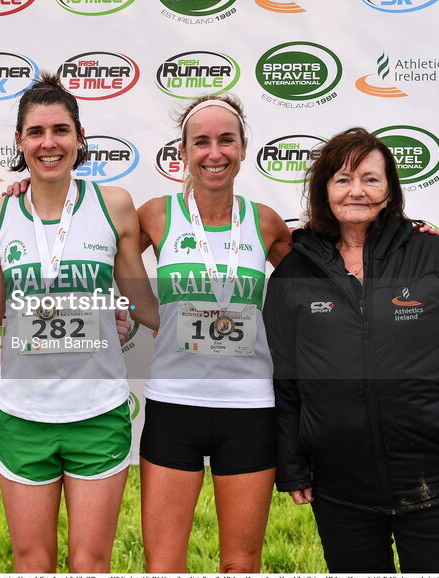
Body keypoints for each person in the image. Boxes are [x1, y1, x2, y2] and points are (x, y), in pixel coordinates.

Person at [263, 127, 439, 572]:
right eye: (342, 179)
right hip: (339, 489)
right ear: (324, 191)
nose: (356, 190)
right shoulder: (293, 274)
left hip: (437, 483)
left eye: (371, 178)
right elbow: (285, 377)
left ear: (390, 189)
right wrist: (292, 462)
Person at [0, 73, 158, 573]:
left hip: (97, 411)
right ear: (19, 142)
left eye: (61, 130)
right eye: (35, 132)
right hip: (22, 414)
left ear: (80, 138)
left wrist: (231, 330)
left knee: (91, 561)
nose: (48, 142)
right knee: (31, 561)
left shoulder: (113, 205)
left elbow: (144, 304)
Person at [135, 95, 291, 572]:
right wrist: (27, 189)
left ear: (244, 148)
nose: (214, 153)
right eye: (200, 142)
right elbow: (95, 248)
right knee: (164, 565)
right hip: (173, 404)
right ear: (182, 152)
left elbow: (324, 278)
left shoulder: (264, 222)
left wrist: (401, 232)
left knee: (241, 564)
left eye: (226, 140)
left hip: (248, 409)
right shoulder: (156, 215)